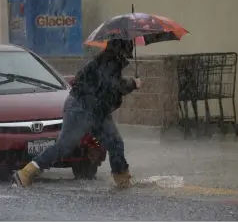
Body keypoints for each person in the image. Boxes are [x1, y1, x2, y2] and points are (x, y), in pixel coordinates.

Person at [12, 39, 142, 188]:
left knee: (115, 143)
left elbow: (108, 85)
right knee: (64, 146)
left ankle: (122, 179)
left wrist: (127, 84)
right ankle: (26, 173)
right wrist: (132, 83)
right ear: (120, 50)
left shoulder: (108, 62)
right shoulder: (106, 63)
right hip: (81, 108)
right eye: (127, 52)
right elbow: (111, 85)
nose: (127, 56)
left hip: (97, 110)